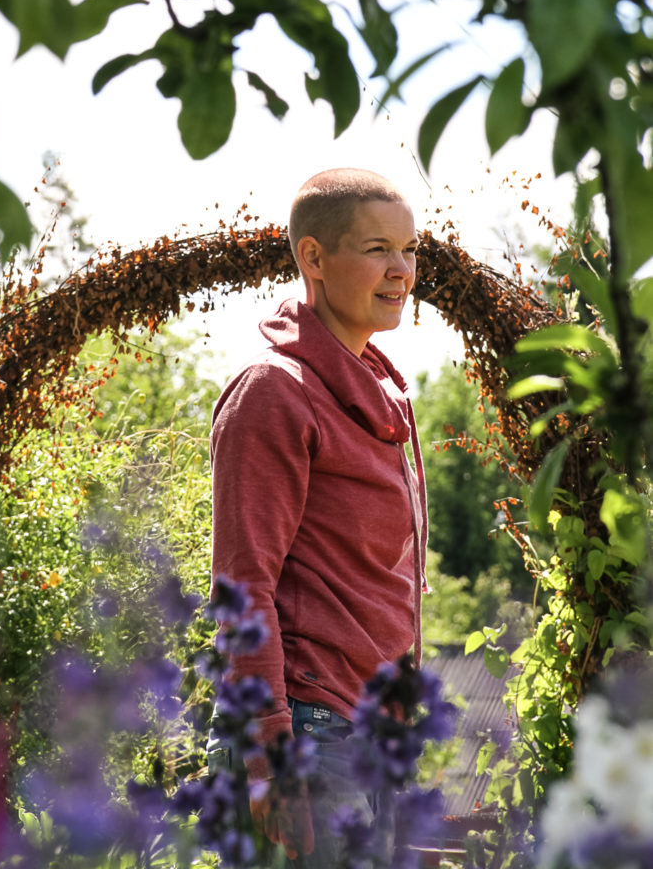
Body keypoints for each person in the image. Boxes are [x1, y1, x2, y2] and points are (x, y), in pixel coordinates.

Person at [209, 168, 428, 865]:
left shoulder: (381, 393)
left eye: (409, 250)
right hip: (306, 734)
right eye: (375, 250)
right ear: (312, 258)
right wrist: (266, 749)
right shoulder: (274, 392)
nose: (400, 271)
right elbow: (242, 586)